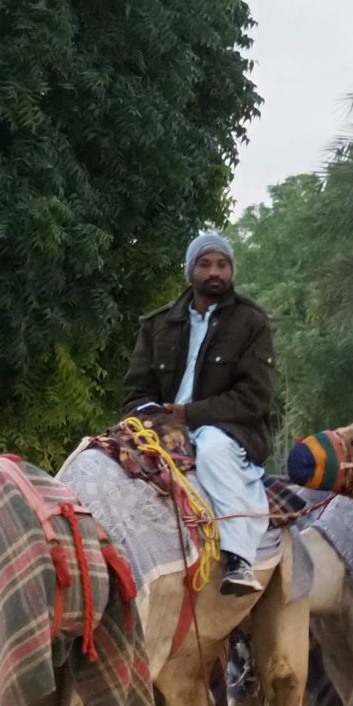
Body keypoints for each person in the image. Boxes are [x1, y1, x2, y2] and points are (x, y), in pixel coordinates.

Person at [120, 230, 277, 593]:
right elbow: (136, 390)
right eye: (205, 264)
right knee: (105, 454)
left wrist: (190, 415)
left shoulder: (251, 322)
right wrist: (151, 418)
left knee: (212, 450)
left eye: (222, 264)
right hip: (159, 424)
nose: (214, 272)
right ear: (190, 272)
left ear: (232, 271)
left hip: (227, 427)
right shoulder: (158, 325)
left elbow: (255, 396)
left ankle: (238, 559)